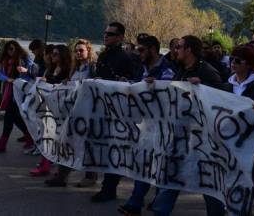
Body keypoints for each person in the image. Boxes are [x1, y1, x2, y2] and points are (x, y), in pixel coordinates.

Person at [149, 35, 225, 216]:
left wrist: (204, 86)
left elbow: (221, 97)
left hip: (201, 140)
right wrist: (155, 86)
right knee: (171, 177)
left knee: (208, 183)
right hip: (180, 136)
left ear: (189, 50)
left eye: (179, 47)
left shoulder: (207, 72)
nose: (175, 50)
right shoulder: (181, 71)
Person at [118, 35, 176, 215]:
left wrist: (155, 87)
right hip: (147, 125)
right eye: (137, 49)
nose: (138, 53)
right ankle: (135, 203)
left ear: (153, 49)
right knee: (143, 163)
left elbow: (170, 97)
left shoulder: (167, 71)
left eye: (141, 49)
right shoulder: (142, 68)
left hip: (165, 128)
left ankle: (150, 203)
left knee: (161, 166)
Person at [91, 22, 139, 203]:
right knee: (104, 147)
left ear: (120, 37)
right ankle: (104, 184)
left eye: (110, 34)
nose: (106, 36)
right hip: (102, 108)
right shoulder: (103, 56)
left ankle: (109, 188)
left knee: (114, 149)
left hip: (119, 111)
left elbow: (133, 82)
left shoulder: (127, 58)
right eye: (105, 33)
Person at [44, 39, 97, 187]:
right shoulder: (75, 68)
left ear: (88, 51)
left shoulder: (93, 67)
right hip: (73, 111)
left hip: (88, 112)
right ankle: (62, 175)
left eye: (82, 50)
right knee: (66, 141)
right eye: (76, 50)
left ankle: (90, 176)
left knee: (87, 143)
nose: (79, 53)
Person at [30, 44, 71, 176]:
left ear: (62, 56)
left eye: (55, 54)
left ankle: (49, 165)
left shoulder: (67, 70)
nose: (52, 56)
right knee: (47, 135)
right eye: (52, 53)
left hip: (60, 109)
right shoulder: (51, 68)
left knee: (54, 136)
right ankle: (46, 163)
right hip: (49, 107)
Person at [0, 40, 36, 153]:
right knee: (14, 117)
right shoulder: (5, 61)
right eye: (7, 49)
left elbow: (33, 71)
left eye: (12, 49)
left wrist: (24, 72)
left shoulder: (24, 58)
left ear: (17, 48)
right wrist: (8, 79)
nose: (9, 51)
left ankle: (2, 144)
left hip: (21, 93)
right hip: (9, 92)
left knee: (9, 117)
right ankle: (29, 137)